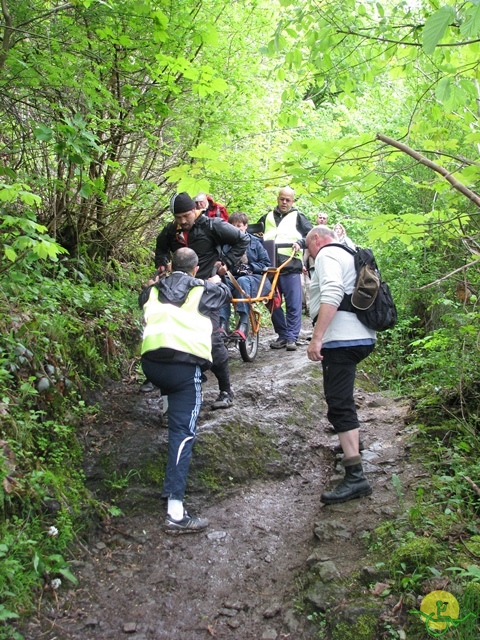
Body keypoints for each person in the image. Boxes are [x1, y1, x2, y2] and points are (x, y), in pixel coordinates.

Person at [139, 248, 231, 533]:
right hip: (182, 369)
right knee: (182, 434)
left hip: (152, 365)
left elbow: (145, 300)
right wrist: (209, 280)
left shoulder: (151, 291)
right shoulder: (200, 289)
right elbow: (225, 294)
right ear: (194, 269)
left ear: (170, 266)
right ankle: (175, 512)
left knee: (172, 393)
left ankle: (169, 411)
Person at [155, 192, 249, 409]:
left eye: (186, 216)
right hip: (179, 291)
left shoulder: (212, 225)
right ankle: (178, 382)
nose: (182, 221)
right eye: (178, 217)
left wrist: (225, 262)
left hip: (207, 289)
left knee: (213, 341)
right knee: (176, 339)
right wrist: (161, 263)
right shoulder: (172, 230)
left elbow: (242, 239)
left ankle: (225, 391)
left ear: (195, 211)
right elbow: (160, 247)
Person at [305, 225, 376, 504]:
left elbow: (333, 291)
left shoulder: (326, 254)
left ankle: (355, 475)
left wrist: (317, 338)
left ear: (316, 240)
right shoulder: (351, 252)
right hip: (362, 336)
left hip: (341, 340)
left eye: (308, 248)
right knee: (343, 397)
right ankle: (352, 444)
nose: (309, 256)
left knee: (338, 401)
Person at [257, 186, 312, 351]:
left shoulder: (298, 217)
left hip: (290, 265)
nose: (284, 202)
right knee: (271, 301)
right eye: (282, 199)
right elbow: (252, 234)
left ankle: (291, 338)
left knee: (293, 303)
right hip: (270, 266)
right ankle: (282, 334)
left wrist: (301, 243)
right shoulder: (266, 217)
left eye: (288, 200)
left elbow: (310, 234)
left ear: (292, 201)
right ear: (277, 199)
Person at [219, 212, 271, 339]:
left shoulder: (255, 243)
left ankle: (243, 323)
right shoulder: (225, 244)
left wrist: (251, 267)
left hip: (256, 279)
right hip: (233, 277)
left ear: (246, 226)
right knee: (220, 284)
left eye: (239, 226)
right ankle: (223, 324)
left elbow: (266, 263)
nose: (236, 229)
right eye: (233, 226)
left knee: (243, 280)